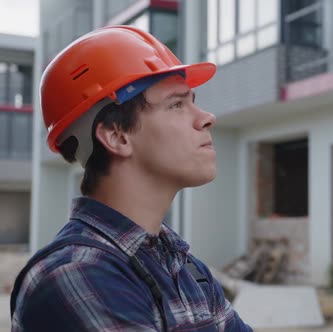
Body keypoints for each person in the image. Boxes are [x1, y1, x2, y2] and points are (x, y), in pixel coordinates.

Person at [10, 25, 252, 331]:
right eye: (176, 104)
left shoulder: (184, 267)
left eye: (193, 101)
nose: (207, 118)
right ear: (116, 136)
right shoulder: (78, 273)